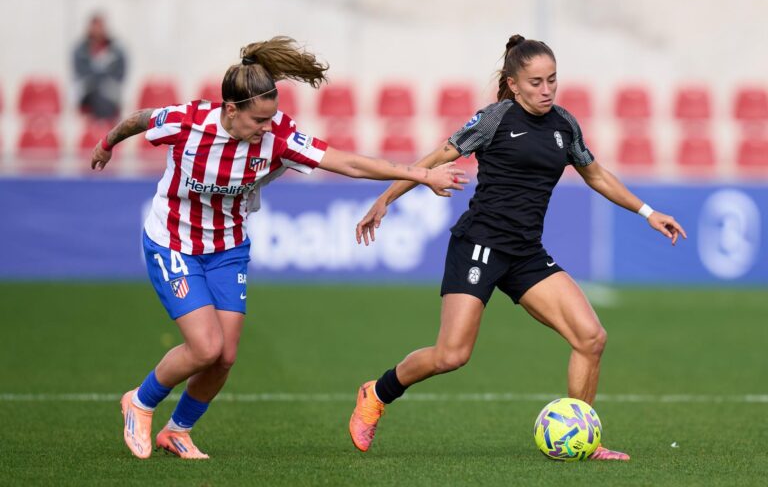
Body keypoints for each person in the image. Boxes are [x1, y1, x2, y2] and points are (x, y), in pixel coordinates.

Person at [90, 36, 467, 460]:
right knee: (205, 347)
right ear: (231, 110)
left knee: (224, 357)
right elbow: (140, 120)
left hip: (228, 247)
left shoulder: (279, 136)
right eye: (259, 120)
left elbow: (348, 162)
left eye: (271, 118)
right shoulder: (188, 122)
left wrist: (420, 174)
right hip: (173, 241)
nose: (267, 128)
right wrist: (107, 144)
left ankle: (177, 430)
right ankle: (140, 402)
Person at [348, 34, 687, 461]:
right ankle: (377, 392)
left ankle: (583, 439)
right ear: (513, 84)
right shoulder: (495, 119)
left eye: (552, 80)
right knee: (451, 355)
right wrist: (385, 199)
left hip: (526, 253)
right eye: (535, 82)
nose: (546, 90)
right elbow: (435, 158)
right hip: (479, 246)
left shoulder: (564, 124)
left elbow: (596, 174)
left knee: (590, 337)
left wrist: (647, 211)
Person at [73, 13, 127, 121]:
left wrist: (101, 79)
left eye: (100, 26)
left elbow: (119, 74)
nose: (97, 30)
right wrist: (99, 77)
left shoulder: (116, 50)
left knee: (104, 97)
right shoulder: (80, 50)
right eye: (95, 27)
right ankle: (103, 126)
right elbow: (81, 73)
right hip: (88, 94)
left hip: (110, 93)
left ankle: (102, 126)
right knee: (98, 97)